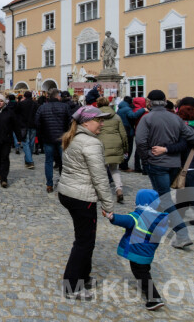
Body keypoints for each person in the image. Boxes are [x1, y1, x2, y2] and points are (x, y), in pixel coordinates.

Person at [135, 89, 194, 249]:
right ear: (164, 101)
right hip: (174, 165)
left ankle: (182, 235)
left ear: (149, 102)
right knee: (162, 196)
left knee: (164, 198)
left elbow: (141, 142)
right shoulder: (175, 119)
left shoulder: (147, 118)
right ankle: (151, 225)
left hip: (157, 163)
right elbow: (193, 138)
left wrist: (146, 159)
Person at [57, 106, 114, 300]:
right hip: (81, 197)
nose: (102, 123)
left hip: (68, 192)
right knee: (84, 241)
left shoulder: (73, 137)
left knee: (85, 238)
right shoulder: (90, 143)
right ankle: (71, 286)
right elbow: (100, 178)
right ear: (86, 123)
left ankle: (83, 277)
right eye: (99, 120)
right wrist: (108, 205)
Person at [103, 189, 168, 311]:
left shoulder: (138, 216)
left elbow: (125, 220)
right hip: (148, 253)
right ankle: (146, 287)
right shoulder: (158, 218)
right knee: (144, 270)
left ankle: (154, 298)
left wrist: (111, 217)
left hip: (137, 252)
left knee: (141, 273)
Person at [35, 88, 72, 193]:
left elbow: (37, 123)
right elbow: (70, 122)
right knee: (64, 161)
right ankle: (64, 182)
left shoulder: (42, 108)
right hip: (62, 138)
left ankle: (49, 184)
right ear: (57, 96)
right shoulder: (65, 107)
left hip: (48, 138)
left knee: (48, 161)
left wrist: (42, 134)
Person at [96, 97, 128, 203]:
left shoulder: (96, 116)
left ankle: (102, 192)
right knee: (114, 169)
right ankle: (119, 190)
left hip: (102, 144)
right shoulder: (116, 116)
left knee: (102, 170)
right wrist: (125, 148)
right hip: (116, 143)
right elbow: (123, 134)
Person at [116, 96, 146, 171]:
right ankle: (124, 166)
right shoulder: (127, 109)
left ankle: (122, 165)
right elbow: (133, 116)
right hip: (128, 131)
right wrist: (143, 109)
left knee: (124, 149)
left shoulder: (121, 108)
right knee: (128, 149)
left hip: (122, 130)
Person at [16, 91, 38, 169]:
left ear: (24, 96)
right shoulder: (35, 104)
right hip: (33, 125)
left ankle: (30, 161)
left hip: (24, 126)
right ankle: (28, 160)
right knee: (31, 143)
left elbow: (17, 114)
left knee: (25, 143)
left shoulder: (21, 103)